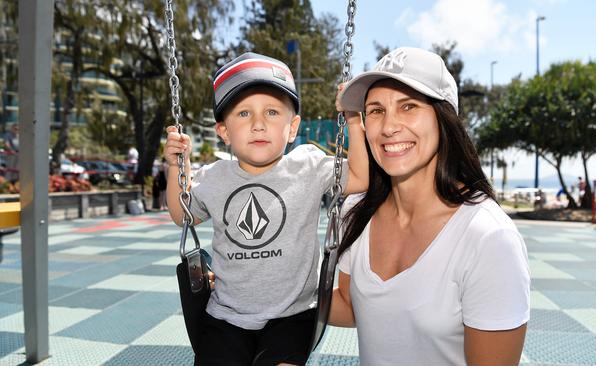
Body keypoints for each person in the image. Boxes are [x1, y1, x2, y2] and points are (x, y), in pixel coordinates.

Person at [328, 47, 530, 365]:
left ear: (443, 119)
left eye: (408, 106)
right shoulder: (358, 211)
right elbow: (350, 306)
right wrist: (265, 279)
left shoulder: (488, 238)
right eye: (376, 110)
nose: (389, 126)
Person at [164, 52, 368, 366]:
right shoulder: (215, 176)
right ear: (224, 131)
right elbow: (183, 215)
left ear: (292, 127)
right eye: (244, 114)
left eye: (272, 112)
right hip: (226, 316)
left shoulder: (308, 166)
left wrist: (353, 120)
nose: (258, 125)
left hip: (293, 315)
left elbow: (360, 176)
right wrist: (177, 165)